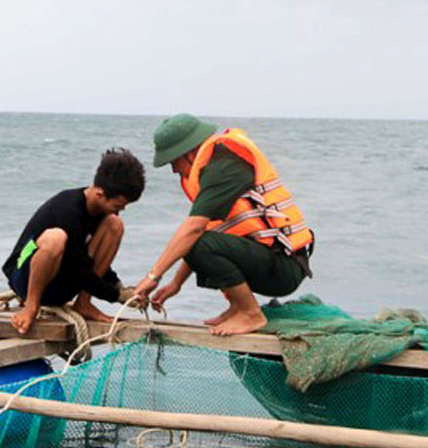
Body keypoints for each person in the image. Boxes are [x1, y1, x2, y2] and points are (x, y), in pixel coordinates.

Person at [133, 114, 313, 336]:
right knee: (192, 242)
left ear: (189, 151)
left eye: (173, 161)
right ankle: (238, 307)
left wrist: (152, 277)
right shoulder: (212, 168)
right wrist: (175, 284)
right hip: (269, 261)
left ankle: (250, 313)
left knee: (194, 241)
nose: (173, 170)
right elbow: (203, 232)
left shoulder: (225, 166)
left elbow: (194, 231)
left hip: (284, 266)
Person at [3, 148, 145, 335]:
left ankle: (83, 303)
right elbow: (79, 268)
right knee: (56, 238)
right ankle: (31, 306)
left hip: (63, 283)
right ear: (99, 194)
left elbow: (85, 260)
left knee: (114, 224)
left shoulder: (104, 214)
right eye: (118, 205)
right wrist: (116, 295)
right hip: (25, 278)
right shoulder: (67, 209)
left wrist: (123, 289)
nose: (121, 209)